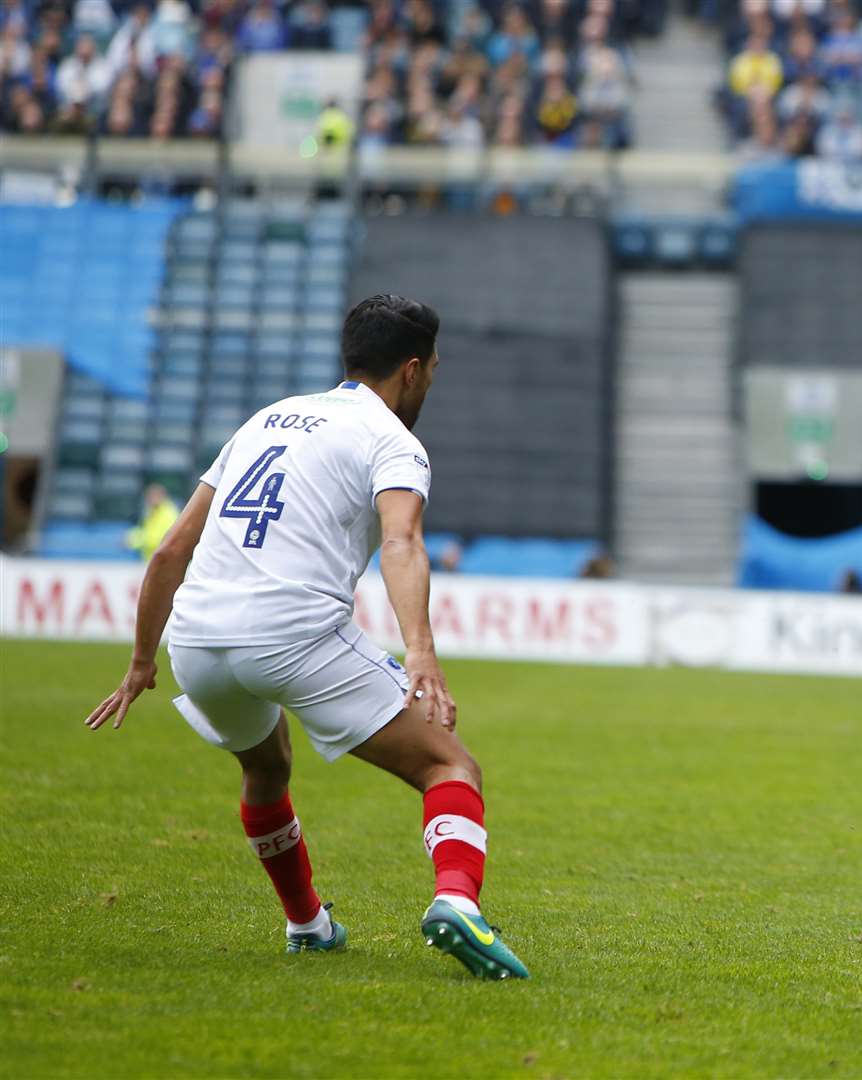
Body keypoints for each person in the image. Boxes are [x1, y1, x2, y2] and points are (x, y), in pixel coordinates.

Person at [82, 295, 529, 981]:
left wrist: (143, 662)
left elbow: (172, 549)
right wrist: (420, 648)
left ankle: (308, 925)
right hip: (291, 633)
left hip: (196, 641)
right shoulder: (393, 439)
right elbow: (401, 541)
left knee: (265, 768)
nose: (431, 383)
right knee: (450, 766)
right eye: (433, 370)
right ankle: (456, 902)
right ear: (411, 370)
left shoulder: (266, 418)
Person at [126, 483, 179, 562]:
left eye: (153, 496)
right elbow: (145, 531)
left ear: (162, 496)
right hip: (152, 561)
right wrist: (130, 537)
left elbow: (163, 539)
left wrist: (133, 541)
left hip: (164, 562)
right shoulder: (151, 511)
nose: (150, 499)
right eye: (149, 497)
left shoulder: (169, 513)